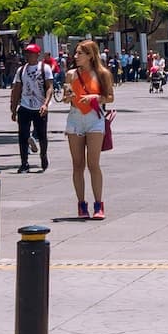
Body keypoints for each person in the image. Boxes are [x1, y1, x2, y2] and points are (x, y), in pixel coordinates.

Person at [64, 40, 114, 220]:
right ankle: (81, 204)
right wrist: (67, 96)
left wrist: (95, 97)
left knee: (93, 163)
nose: (75, 56)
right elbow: (66, 98)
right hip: (75, 118)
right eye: (76, 53)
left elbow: (110, 98)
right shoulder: (71, 74)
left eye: (80, 53)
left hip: (95, 119)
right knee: (78, 164)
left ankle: (99, 204)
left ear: (90, 55)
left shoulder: (102, 74)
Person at [11, 45, 53, 173]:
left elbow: (50, 87)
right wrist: (13, 108)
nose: (28, 56)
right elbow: (16, 89)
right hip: (24, 106)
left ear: (38, 55)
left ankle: (43, 156)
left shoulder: (44, 68)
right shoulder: (21, 70)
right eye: (27, 54)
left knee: (42, 135)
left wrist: (45, 104)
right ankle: (24, 163)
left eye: (31, 53)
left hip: (39, 107)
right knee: (23, 135)